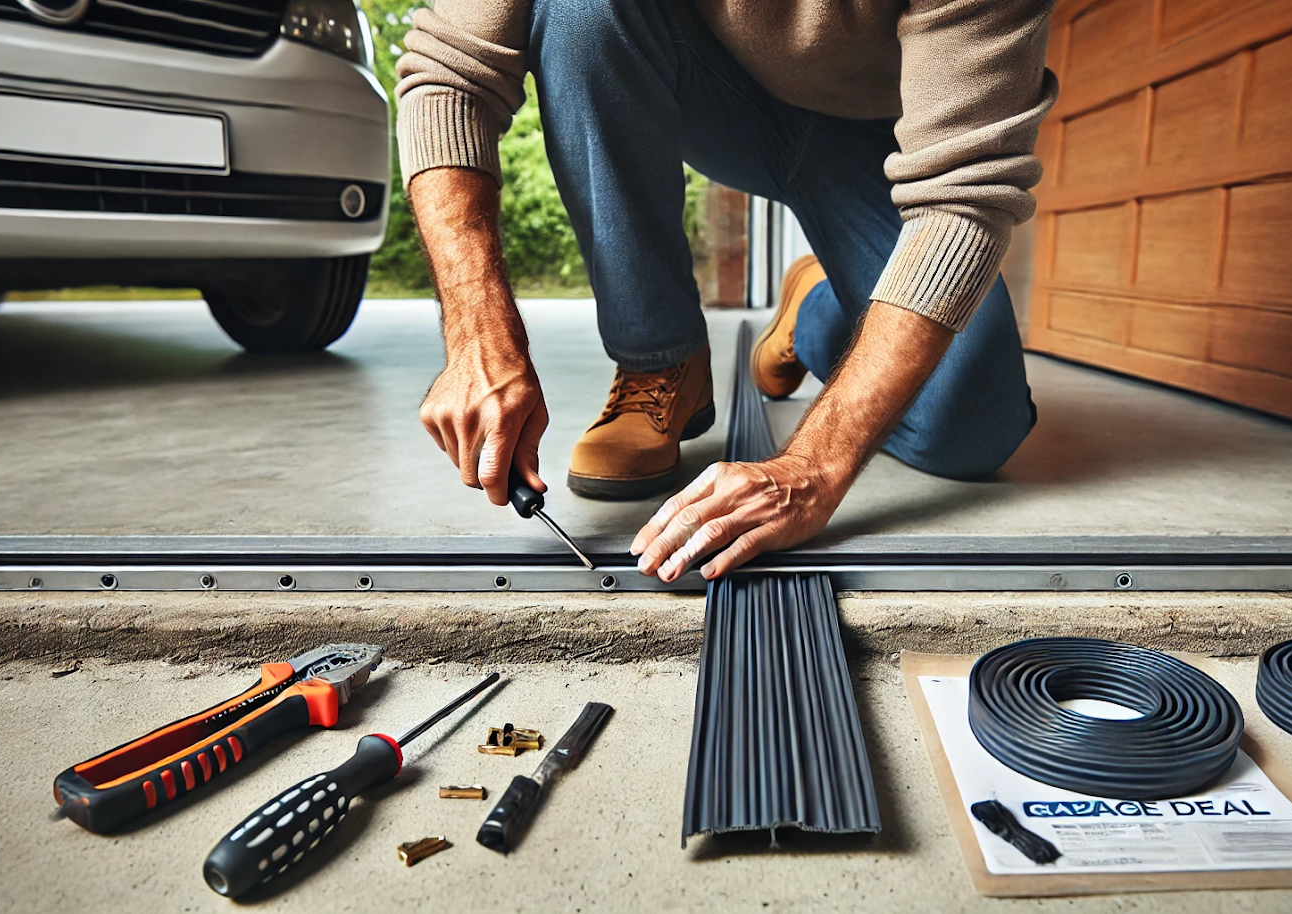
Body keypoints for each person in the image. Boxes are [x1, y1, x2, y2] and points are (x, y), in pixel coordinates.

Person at [399, 0, 1056, 581]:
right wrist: (479, 337)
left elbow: (964, 194)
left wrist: (813, 470)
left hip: (884, 137)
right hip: (712, 90)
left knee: (971, 427)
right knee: (579, 12)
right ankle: (660, 361)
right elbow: (448, 78)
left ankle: (816, 313)